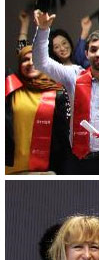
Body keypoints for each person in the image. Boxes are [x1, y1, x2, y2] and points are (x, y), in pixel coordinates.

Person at [33, 11, 99, 175]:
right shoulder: (73, 76)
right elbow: (41, 63)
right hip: (76, 160)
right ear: (86, 54)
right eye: (93, 49)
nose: (98, 54)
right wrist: (42, 30)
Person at [6, 46, 69, 174]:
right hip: (9, 167)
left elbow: (63, 137)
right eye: (25, 59)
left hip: (44, 170)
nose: (30, 63)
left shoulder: (59, 92)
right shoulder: (10, 88)